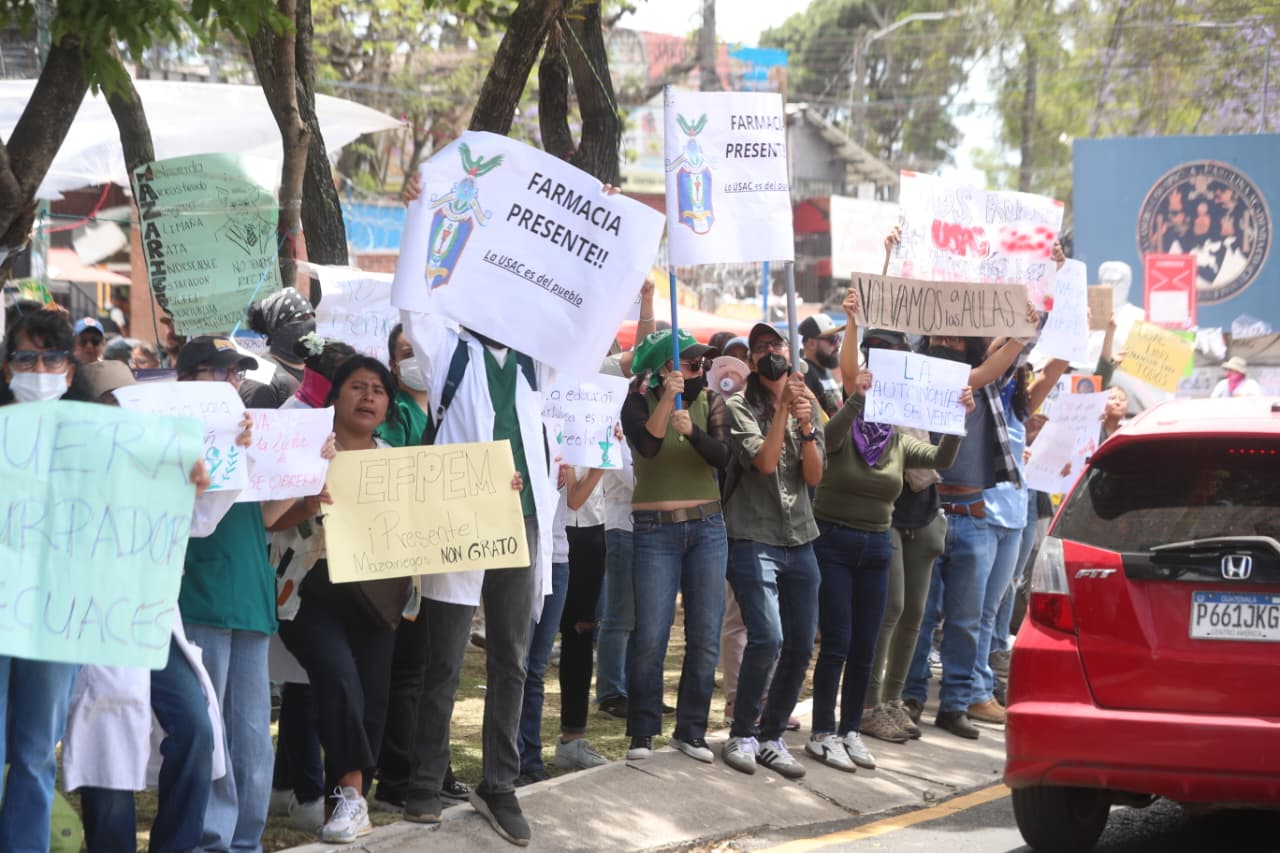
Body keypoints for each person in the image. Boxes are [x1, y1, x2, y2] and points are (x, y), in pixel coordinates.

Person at [398, 310, 556, 847]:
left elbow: (583, 323)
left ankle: (499, 784)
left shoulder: (534, 361)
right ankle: (425, 782)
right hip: (460, 520)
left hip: (523, 520)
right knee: (444, 659)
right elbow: (413, 309)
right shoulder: (451, 351)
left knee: (511, 657)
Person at [807, 289, 970, 772]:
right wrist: (857, 400)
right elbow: (828, 441)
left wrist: (956, 421)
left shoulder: (897, 438)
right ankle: (822, 732)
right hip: (835, 540)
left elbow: (939, 458)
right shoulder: (843, 419)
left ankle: (851, 731)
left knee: (864, 646)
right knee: (838, 642)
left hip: (876, 544)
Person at [65, 360, 223, 853]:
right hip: (93, 626)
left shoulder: (157, 461)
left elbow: (200, 518)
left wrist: (230, 450)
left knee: (195, 728)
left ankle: (177, 845)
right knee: (107, 743)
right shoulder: (65, 468)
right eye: (114, 404)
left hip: (152, 622)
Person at [277, 356, 409, 843]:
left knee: (371, 698)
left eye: (378, 389)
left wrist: (500, 492)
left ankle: (345, 803)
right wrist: (307, 503)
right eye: (357, 386)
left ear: (388, 405)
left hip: (377, 596)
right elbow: (271, 519)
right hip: (309, 591)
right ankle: (352, 797)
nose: (368, 396)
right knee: (337, 677)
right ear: (334, 397)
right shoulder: (307, 451)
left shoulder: (398, 462)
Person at [901, 316, 1040, 741]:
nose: (946, 340)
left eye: (956, 336)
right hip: (927, 513)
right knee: (920, 615)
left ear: (974, 344)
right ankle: (910, 697)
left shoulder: (986, 386)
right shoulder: (917, 380)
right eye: (939, 333)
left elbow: (998, 365)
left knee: (966, 620)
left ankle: (956, 705)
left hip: (974, 516)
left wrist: (1022, 329)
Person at [176, 336, 288, 851]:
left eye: (236, 373)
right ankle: (212, 841)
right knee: (210, 728)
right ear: (187, 378)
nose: (231, 382)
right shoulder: (168, 434)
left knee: (251, 734)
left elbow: (263, 515)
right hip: (200, 593)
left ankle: (246, 841)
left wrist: (310, 472)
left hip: (248, 593)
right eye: (219, 371)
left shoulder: (246, 432)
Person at [371, 325, 471, 812]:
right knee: (410, 671)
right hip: (405, 557)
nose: (415, 359)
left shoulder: (452, 407)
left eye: (419, 350)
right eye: (405, 352)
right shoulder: (393, 416)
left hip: (445, 555)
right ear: (392, 363)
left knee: (437, 669)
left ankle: (431, 769)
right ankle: (398, 777)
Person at [720, 322, 825, 779]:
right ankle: (742, 732)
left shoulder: (808, 405)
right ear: (751, 360)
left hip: (800, 538)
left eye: (776, 345)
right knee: (767, 637)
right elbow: (764, 463)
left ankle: (772, 736)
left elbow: (815, 476)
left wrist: (806, 424)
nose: (770, 352)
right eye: (760, 348)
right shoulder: (738, 406)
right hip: (752, 537)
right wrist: (782, 411)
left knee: (801, 645)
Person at [621, 329, 730, 765]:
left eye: (702, 362)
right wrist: (667, 400)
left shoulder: (712, 402)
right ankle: (643, 731)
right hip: (655, 531)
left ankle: (691, 731)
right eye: (689, 361)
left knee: (705, 635)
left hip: (708, 527)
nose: (699, 368)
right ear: (664, 367)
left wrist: (695, 434)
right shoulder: (636, 402)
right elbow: (647, 447)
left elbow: (724, 456)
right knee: (651, 634)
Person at [0, 309, 83, 852]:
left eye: (52, 358)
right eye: (26, 358)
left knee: (34, 755)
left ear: (70, 372)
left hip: (57, 615)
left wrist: (191, 470)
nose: (40, 369)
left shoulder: (100, 441)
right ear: (7, 369)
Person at [244, 287, 314, 407]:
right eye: (301, 318)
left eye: (311, 316)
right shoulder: (262, 379)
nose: (310, 323)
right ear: (277, 328)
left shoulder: (317, 371)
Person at [799, 313, 846, 418]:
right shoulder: (805, 373)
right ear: (811, 344)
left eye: (838, 338)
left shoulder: (823, 370)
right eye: (832, 340)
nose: (838, 345)